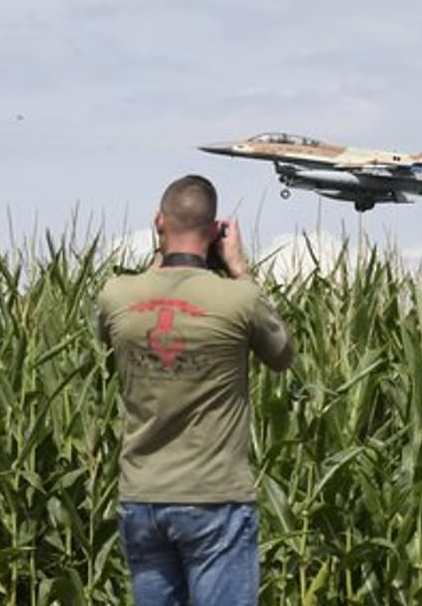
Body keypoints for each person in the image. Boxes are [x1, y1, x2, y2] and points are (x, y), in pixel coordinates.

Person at [95, 175, 294, 605]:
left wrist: (159, 256)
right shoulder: (240, 299)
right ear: (214, 233)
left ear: (158, 222)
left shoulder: (116, 295)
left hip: (143, 495)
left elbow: (106, 336)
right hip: (214, 496)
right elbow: (281, 356)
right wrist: (239, 268)